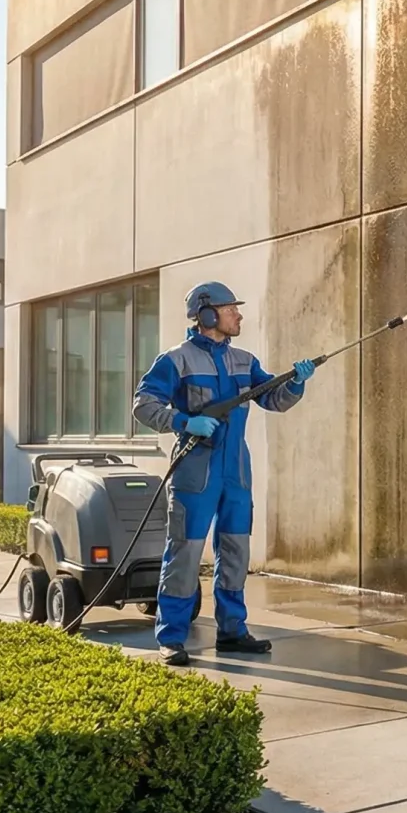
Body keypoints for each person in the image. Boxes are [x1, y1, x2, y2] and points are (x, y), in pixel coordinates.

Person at [132, 281, 315, 666]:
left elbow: (273, 398)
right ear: (208, 315)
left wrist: (295, 382)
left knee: (234, 553)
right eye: (231, 309)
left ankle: (232, 631)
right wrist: (184, 421)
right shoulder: (176, 360)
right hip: (195, 475)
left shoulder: (244, 361)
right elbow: (144, 406)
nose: (239, 315)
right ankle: (171, 638)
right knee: (184, 555)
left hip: (236, 476)